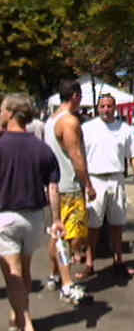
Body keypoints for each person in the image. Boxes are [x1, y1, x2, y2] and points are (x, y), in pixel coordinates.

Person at [0, 94, 64, 331]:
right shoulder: (42, 148)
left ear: (10, 113)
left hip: (5, 217)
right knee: (24, 269)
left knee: (13, 274)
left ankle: (25, 322)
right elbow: (53, 187)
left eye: (1, 110)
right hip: (35, 219)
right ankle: (16, 317)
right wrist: (57, 219)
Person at [81, 94, 134, 278]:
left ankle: (118, 261)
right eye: (102, 106)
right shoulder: (87, 129)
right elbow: (78, 156)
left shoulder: (125, 129)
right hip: (94, 179)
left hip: (116, 179)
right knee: (93, 225)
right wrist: (83, 182)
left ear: (115, 108)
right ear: (98, 108)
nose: (106, 109)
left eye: (109, 106)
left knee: (117, 224)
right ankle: (89, 264)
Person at [44, 79, 96, 304]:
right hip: (69, 186)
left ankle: (54, 275)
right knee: (73, 238)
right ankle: (67, 284)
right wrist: (88, 184)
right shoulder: (69, 122)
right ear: (75, 95)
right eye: (80, 95)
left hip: (55, 185)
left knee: (57, 234)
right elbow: (76, 156)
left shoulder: (50, 120)